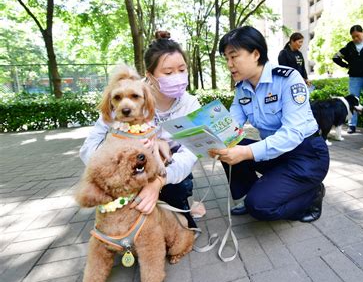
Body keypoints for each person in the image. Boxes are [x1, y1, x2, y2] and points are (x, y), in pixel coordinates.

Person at [80, 31, 205, 228]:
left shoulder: (191, 105)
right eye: (168, 72)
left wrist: (157, 183)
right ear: (150, 75)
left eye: (182, 70)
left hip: (166, 173)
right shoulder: (124, 99)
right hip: (122, 172)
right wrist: (115, 167)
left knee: (180, 223)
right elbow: (88, 149)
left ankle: (178, 205)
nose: (178, 77)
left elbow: (190, 153)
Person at [209, 26, 329, 223]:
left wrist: (246, 153)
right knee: (228, 146)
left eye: (234, 57)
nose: (229, 65)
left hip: (307, 155)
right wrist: (209, 138)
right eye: (226, 59)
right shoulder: (242, 87)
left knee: (261, 207)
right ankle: (250, 194)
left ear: (256, 54)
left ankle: (312, 194)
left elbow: (292, 134)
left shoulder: (288, 79)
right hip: (277, 152)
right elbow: (232, 126)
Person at [332, 25, 363, 134]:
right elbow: (335, 57)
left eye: (357, 36)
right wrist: (346, 65)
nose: (355, 39)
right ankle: (352, 125)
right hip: (354, 77)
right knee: (352, 101)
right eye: (353, 37)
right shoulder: (349, 46)